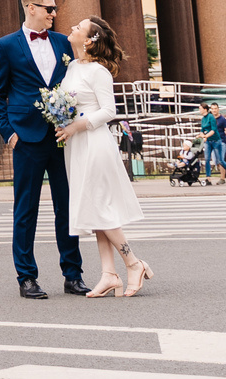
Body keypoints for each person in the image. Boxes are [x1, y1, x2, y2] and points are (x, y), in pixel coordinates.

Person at [0, 0, 86, 298]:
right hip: (26, 139)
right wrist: (10, 134)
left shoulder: (63, 43)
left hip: (61, 137)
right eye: (49, 8)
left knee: (66, 208)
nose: (54, 14)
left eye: (54, 8)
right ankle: (26, 278)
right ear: (31, 8)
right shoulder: (6, 45)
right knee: (26, 210)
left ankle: (73, 275)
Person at [54, 16, 151, 297]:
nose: (71, 28)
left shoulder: (99, 72)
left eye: (77, 28)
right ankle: (109, 273)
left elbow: (109, 111)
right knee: (94, 208)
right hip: (76, 146)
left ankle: (133, 263)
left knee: (100, 207)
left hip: (94, 143)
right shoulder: (72, 66)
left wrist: (76, 125)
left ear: (87, 41)